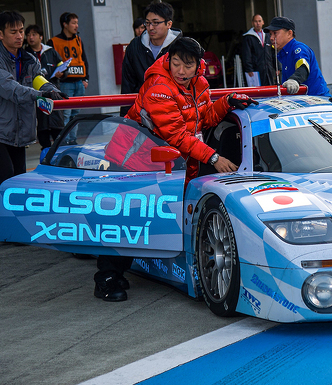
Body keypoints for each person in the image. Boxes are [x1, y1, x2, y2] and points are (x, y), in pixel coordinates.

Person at [101, 37, 257, 301]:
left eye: (188, 65)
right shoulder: (158, 87)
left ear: (198, 66)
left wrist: (227, 102)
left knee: (157, 218)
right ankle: (106, 278)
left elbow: (204, 118)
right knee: (131, 220)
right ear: (168, 61)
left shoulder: (199, 84)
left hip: (168, 162)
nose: (181, 71)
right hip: (133, 161)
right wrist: (214, 157)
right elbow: (176, 135)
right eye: (176, 64)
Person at [0, 11, 64, 195]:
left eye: (21, 31)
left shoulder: (29, 59)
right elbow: (10, 89)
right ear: (0, 35)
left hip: (18, 130)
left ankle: (14, 216)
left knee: (18, 177)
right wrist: (40, 94)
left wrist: (50, 88)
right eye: (13, 32)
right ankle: (4, 217)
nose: (20, 36)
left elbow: (37, 78)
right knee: (6, 176)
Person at [121, 1, 182, 116]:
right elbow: (128, 85)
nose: (150, 27)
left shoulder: (181, 47)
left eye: (156, 23)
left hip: (174, 111)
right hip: (142, 111)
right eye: (147, 23)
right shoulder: (134, 47)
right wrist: (125, 119)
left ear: (169, 24)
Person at [264, 16, 330, 96]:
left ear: (289, 33)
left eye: (275, 33)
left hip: (318, 101)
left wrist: (294, 80)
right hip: (303, 101)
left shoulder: (299, 49)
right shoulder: (283, 52)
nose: (271, 38)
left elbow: (303, 67)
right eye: (270, 34)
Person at [25, 24, 65, 148]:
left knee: (57, 124)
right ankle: (45, 150)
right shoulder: (25, 54)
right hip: (36, 95)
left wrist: (61, 74)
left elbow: (63, 68)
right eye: (28, 35)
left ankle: (58, 151)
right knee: (41, 126)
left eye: (34, 34)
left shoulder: (51, 51)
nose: (30, 37)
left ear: (41, 37)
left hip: (53, 93)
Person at [47, 12, 88, 127]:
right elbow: (49, 63)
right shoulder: (53, 42)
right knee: (65, 114)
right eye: (73, 23)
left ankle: (72, 140)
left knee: (75, 114)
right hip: (65, 83)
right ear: (65, 24)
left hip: (79, 82)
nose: (76, 26)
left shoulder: (78, 40)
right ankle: (64, 141)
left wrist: (86, 79)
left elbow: (84, 59)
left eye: (77, 23)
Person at [240, 13, 277, 86]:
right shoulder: (248, 37)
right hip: (256, 69)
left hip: (268, 68)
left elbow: (273, 52)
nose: (258, 23)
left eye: (259, 21)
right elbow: (246, 54)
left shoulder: (268, 36)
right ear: (252, 23)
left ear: (263, 22)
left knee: (271, 89)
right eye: (256, 21)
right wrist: (249, 69)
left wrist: (277, 67)